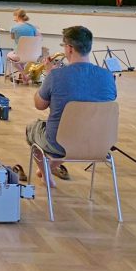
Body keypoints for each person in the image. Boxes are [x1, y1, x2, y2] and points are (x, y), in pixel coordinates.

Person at [26, 26, 116, 186]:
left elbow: (39, 105)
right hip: (99, 143)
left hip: (60, 144)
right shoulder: (108, 76)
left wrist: (49, 77)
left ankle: (46, 175)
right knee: (76, 132)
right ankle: (48, 169)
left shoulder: (56, 76)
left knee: (32, 128)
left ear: (69, 48)